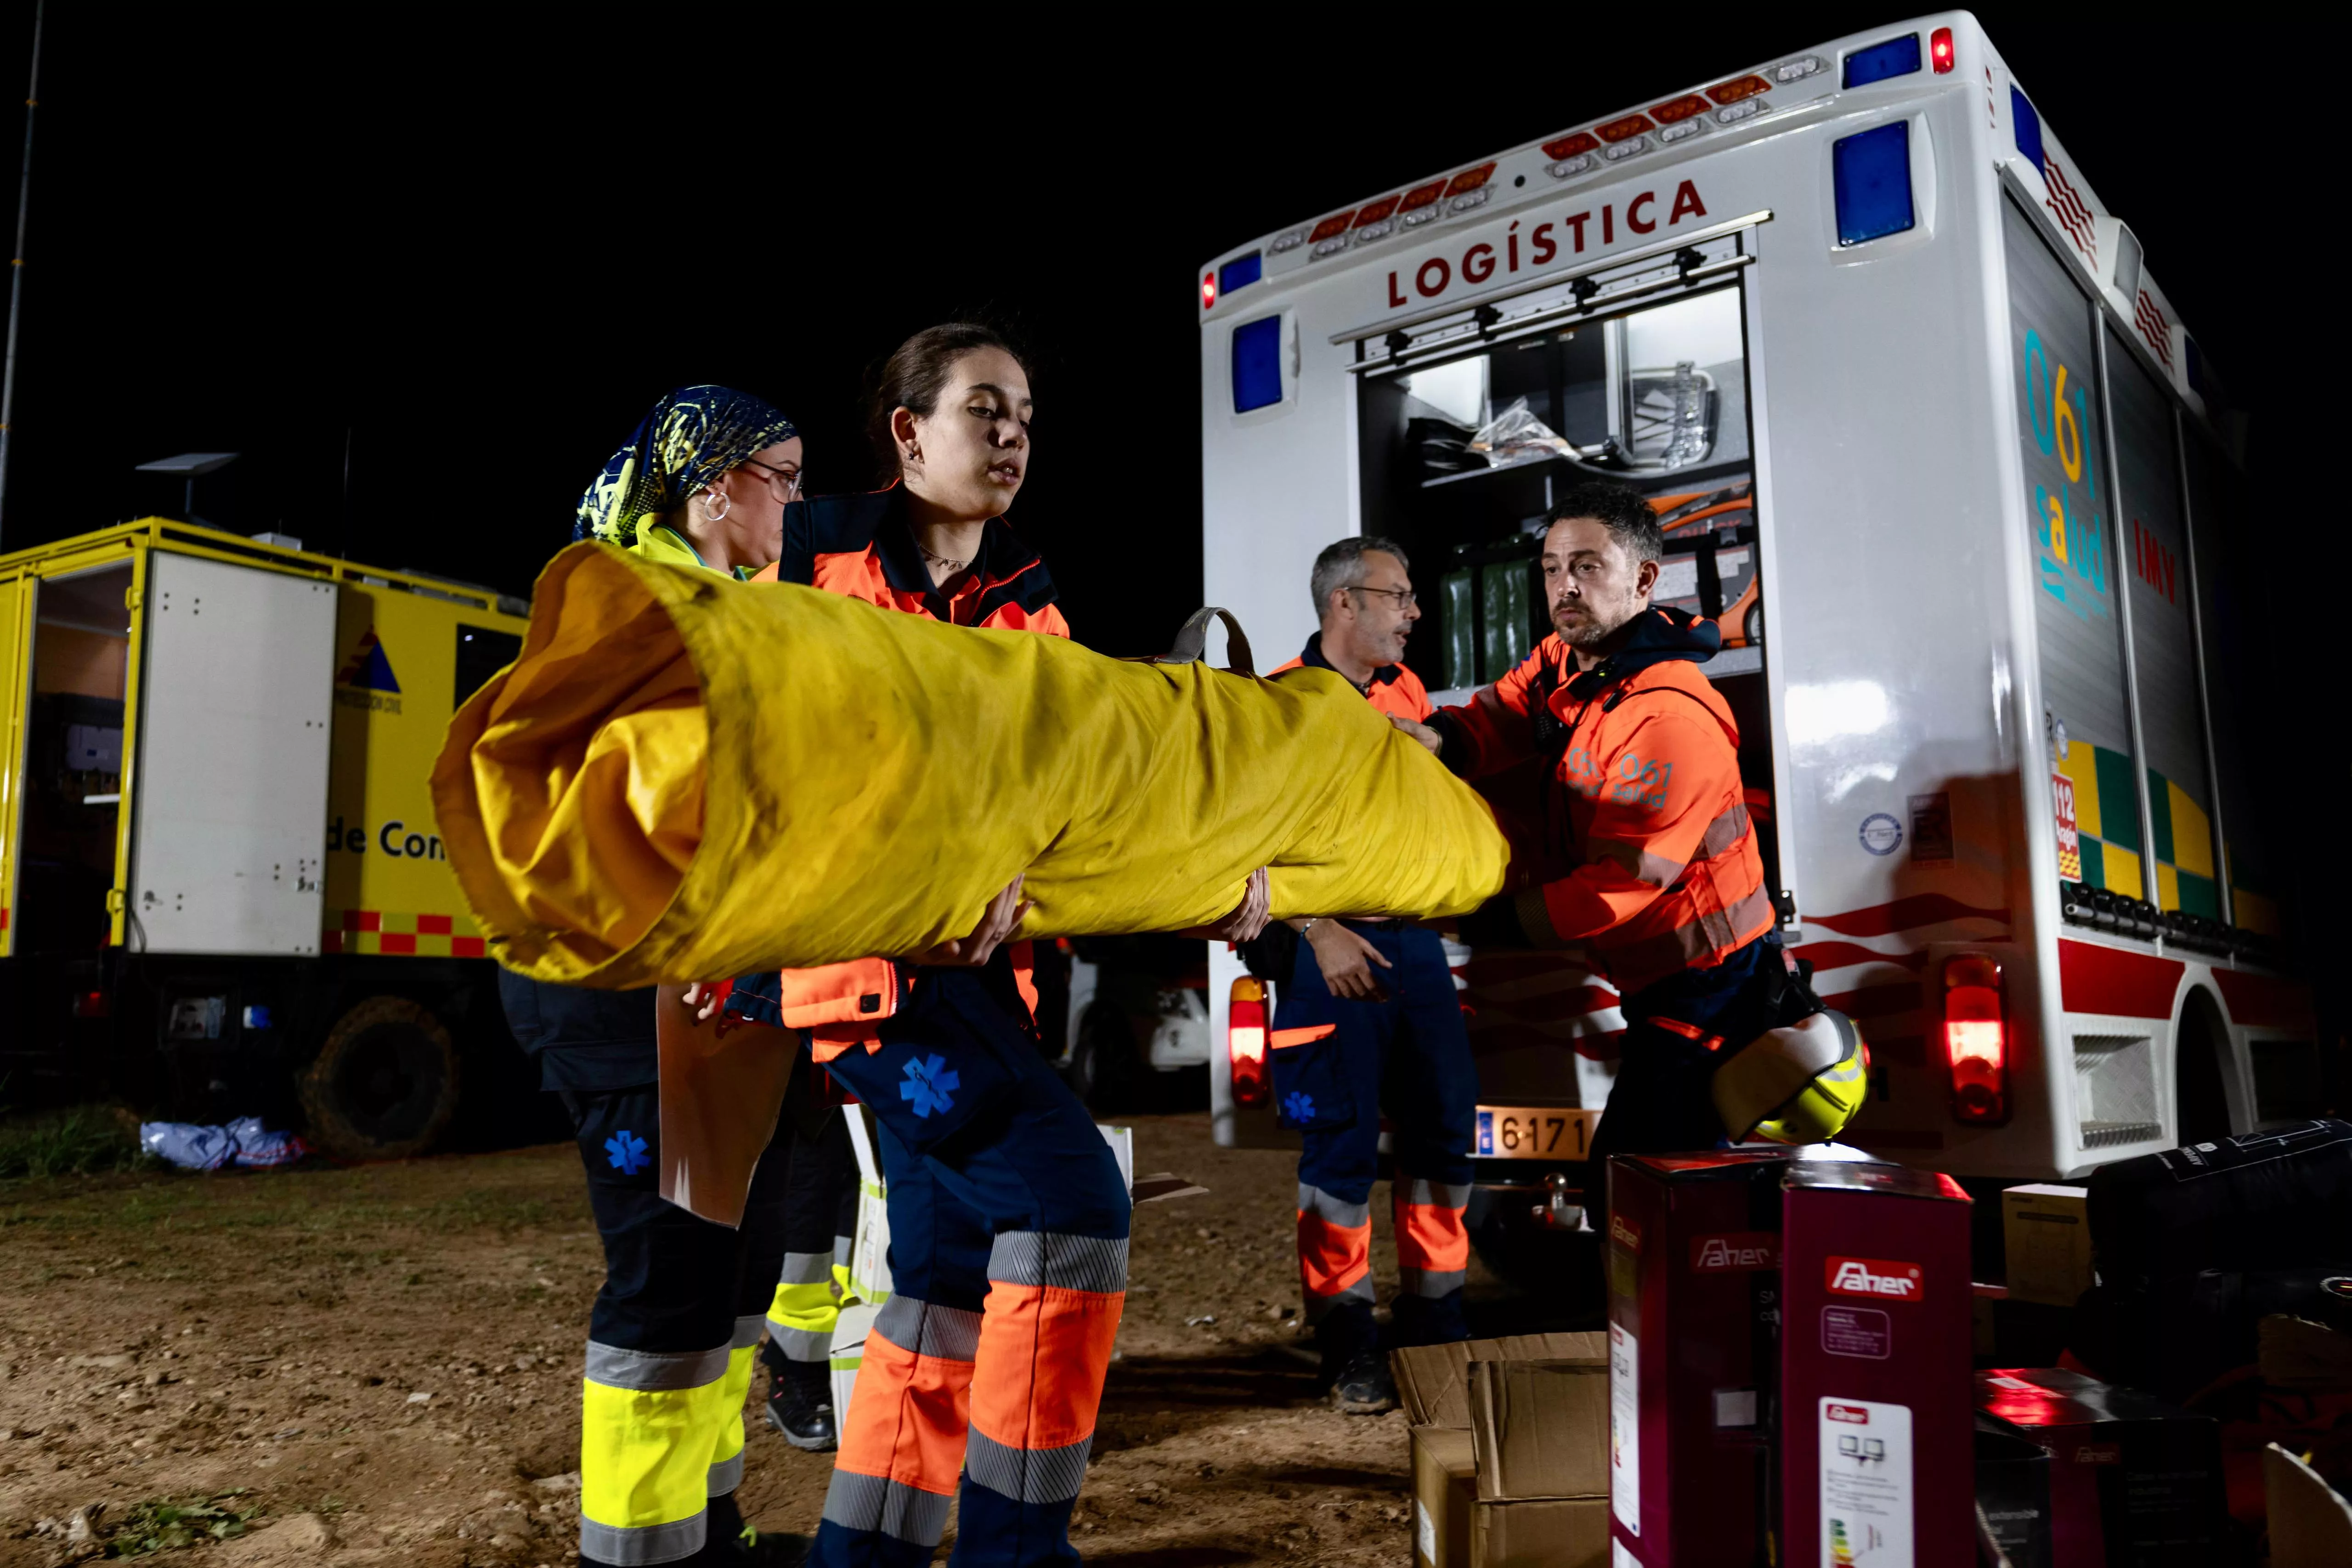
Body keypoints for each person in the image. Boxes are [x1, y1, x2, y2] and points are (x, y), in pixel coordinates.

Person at [722, 323, 1268, 1568]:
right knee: (1074, 1202)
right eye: (984, 408)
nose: (1013, 432)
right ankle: (1017, 1548)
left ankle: (862, 1549)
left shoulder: (1033, 607)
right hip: (867, 964)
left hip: (976, 985)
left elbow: (1088, 807)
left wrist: (1208, 886)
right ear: (909, 434)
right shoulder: (810, 562)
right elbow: (743, 740)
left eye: (1023, 411)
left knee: (945, 1271)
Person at [505, 385, 811, 1568]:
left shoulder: (731, 608)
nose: (791, 501)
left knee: (734, 1281)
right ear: (714, 484)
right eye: (778, 477)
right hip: (626, 1004)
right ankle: (633, 1556)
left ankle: (702, 1526)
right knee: (669, 1286)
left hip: (724, 1002)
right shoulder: (624, 603)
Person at [1392, 481, 1777, 1197]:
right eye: (1551, 568)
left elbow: (1616, 885)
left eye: (1588, 567)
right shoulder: (1566, 661)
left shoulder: (1670, 716)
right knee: (1654, 1185)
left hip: (1711, 980)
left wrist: (1482, 920)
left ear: (1644, 577)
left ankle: (1704, 1303)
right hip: (1655, 975)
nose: (1564, 587)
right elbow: (1504, 712)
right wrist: (1436, 737)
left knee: (1638, 1185)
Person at [1259, 537, 1476, 1414]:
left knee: (1442, 1141)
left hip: (1415, 951)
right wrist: (1318, 931)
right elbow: (1244, 848)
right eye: (1398, 597)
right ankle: (1348, 1341)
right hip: (1329, 958)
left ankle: (1437, 1324)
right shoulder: (1280, 703)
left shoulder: (1405, 694)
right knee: (1339, 1158)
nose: (1413, 612)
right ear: (1344, 604)